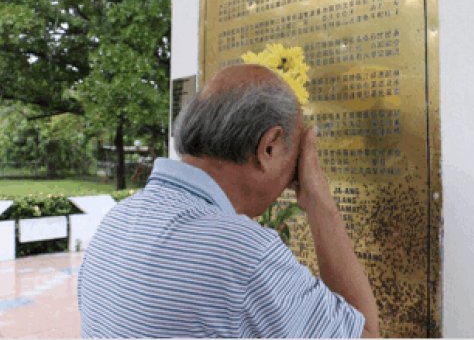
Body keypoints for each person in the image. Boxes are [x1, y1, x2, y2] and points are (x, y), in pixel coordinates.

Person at [77, 64, 379, 338]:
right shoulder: (245, 254)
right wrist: (318, 199)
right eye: (297, 157)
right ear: (270, 147)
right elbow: (365, 333)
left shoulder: (115, 222)